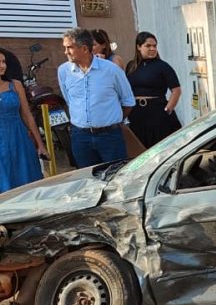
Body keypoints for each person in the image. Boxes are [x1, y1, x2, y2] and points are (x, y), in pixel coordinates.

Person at [58, 27, 134, 168]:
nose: (66, 52)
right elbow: (69, 100)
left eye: (70, 47)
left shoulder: (111, 70)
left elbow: (128, 101)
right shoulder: (63, 71)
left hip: (110, 137)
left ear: (84, 49)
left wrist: (112, 122)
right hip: (80, 137)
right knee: (87, 177)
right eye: (65, 47)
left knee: (115, 175)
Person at [125, 31, 182, 148]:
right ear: (138, 47)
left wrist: (167, 110)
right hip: (137, 115)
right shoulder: (131, 66)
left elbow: (176, 90)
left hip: (157, 113)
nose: (152, 49)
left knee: (161, 149)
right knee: (140, 149)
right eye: (148, 46)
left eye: (154, 46)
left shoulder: (163, 66)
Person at [0, 54, 47, 192]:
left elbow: (27, 115)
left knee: (27, 182)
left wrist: (40, 145)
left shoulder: (15, 85)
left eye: (3, 61)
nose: (2, 65)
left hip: (19, 141)